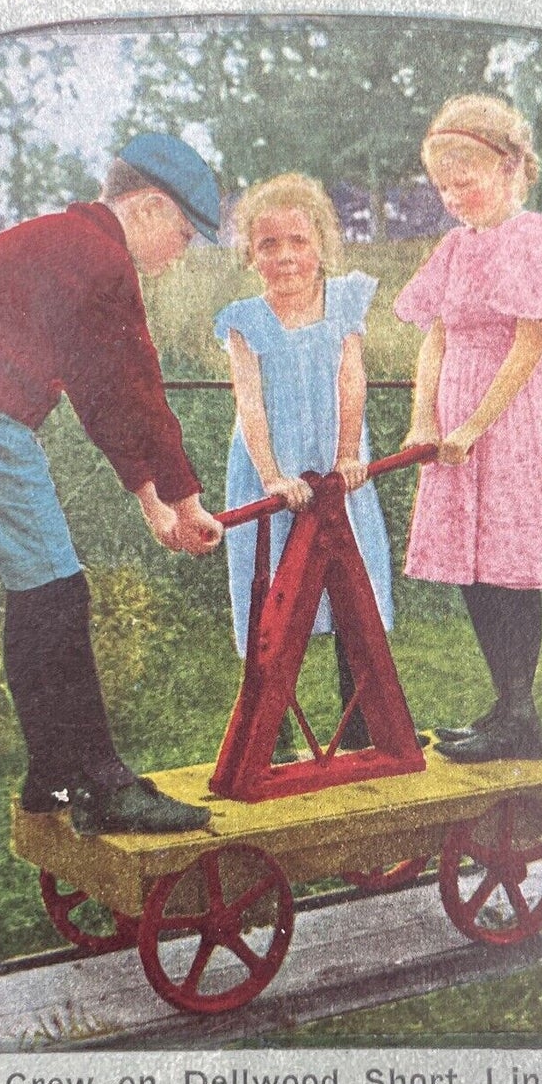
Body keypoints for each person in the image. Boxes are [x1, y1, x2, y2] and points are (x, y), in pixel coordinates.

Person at [0, 133, 224, 833]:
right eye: (183, 232)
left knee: (37, 585)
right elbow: (138, 389)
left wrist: (150, 500)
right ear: (147, 207)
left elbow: (98, 393)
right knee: (57, 588)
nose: (180, 251)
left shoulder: (67, 241)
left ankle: (52, 773)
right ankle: (103, 782)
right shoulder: (103, 259)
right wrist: (188, 500)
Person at [396, 94, 542, 763]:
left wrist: (476, 425)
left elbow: (527, 347)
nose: (454, 198)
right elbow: (434, 338)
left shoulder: (533, 239)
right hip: (455, 423)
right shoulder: (455, 248)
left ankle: (520, 713)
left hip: (508, 421)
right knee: (473, 566)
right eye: (443, 187)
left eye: (466, 182)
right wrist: (425, 418)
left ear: (511, 168)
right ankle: (503, 705)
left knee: (510, 567)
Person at [215, 173, 394, 756]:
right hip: (274, 471)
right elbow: (250, 405)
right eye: (269, 246)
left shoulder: (343, 302)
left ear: (322, 243)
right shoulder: (246, 320)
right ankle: (272, 735)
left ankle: (365, 725)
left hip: (335, 470)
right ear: (250, 255)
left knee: (352, 585)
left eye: (298, 241)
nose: (286, 256)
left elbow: (351, 380)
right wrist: (269, 475)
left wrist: (348, 454)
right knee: (271, 599)